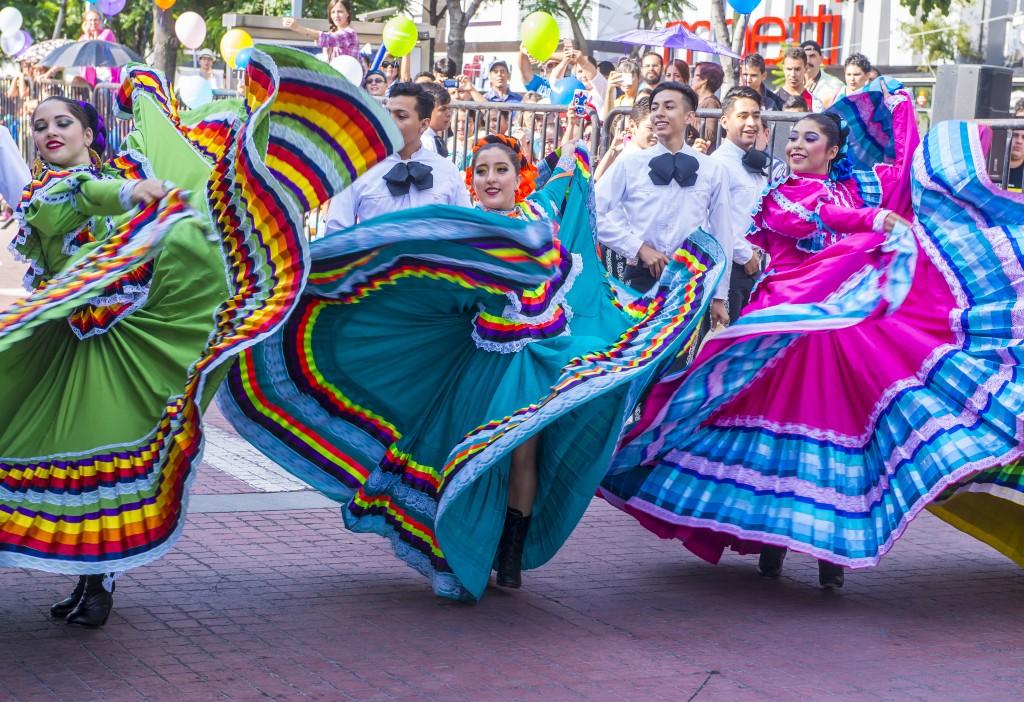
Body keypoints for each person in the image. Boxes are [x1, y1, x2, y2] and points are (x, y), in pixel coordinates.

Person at [215, 123, 724, 600]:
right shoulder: (464, 228)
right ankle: (464, 550)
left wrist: (584, 147)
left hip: (533, 359)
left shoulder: (537, 220)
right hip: (479, 359)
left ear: (518, 175)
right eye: (481, 171)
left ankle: (508, 554)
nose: (490, 178)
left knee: (522, 452)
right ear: (471, 180)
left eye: (501, 169)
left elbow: (575, 194)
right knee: (465, 453)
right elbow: (422, 266)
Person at [0, 47, 399, 626]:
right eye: (39, 126)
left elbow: (100, 194)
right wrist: (125, 196)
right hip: (61, 342)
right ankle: (84, 573)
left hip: (123, 344)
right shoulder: (45, 194)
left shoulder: (126, 181)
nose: (49, 132)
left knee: (111, 447)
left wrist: (135, 192)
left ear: (90, 131)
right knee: (47, 446)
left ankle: (102, 576)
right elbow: (70, 204)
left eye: (63, 122)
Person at [601, 82, 998, 591]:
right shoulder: (787, 194)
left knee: (829, 433)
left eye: (809, 139)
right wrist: (867, 219)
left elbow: (897, 184)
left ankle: (825, 549)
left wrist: (898, 110)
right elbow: (812, 218)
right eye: (793, 138)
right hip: (779, 327)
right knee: (766, 432)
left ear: (832, 152)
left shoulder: (848, 190)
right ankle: (772, 541)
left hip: (827, 332)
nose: (795, 146)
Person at [596, 81, 732, 327]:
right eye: (655, 107)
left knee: (683, 360)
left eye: (669, 107)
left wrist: (719, 295)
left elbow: (723, 231)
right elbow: (591, 211)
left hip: (693, 282)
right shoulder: (629, 164)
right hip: (640, 278)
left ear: (689, 116)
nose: (659, 113)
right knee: (634, 355)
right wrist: (638, 247)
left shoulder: (712, 169)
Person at [327, 82, 471, 230]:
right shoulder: (357, 168)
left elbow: (466, 227)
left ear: (423, 125)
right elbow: (336, 229)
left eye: (401, 116)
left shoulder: (447, 171)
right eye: (387, 113)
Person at [709, 87, 766, 322]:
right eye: (743, 116)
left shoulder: (754, 163)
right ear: (724, 121)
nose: (751, 123)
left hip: (755, 270)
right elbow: (712, 223)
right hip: (729, 271)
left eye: (756, 115)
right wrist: (745, 255)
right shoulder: (717, 165)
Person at [593, 97, 656, 182]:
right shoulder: (624, 160)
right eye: (650, 128)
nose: (656, 135)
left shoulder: (664, 155)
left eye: (660, 128)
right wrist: (613, 151)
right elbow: (597, 183)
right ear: (632, 126)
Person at [285, 0, 360, 62]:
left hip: (345, 79)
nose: (336, 15)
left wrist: (297, 28)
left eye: (340, 11)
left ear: (348, 13)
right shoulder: (333, 32)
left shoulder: (349, 33)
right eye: (333, 12)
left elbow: (327, 38)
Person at [77, 9, 121, 88]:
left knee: (104, 99)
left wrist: (90, 35)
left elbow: (96, 47)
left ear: (100, 21)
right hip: (89, 79)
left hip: (106, 76)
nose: (93, 23)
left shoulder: (106, 33)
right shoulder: (82, 38)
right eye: (90, 20)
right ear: (85, 23)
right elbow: (81, 51)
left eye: (95, 20)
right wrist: (87, 35)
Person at [776, 47, 822, 113]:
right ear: (784, 68)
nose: (793, 74)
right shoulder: (772, 100)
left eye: (797, 69)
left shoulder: (815, 103)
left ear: (806, 68)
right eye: (789, 69)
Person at [800, 40, 843, 109]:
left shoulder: (835, 85)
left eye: (812, 56)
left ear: (821, 58)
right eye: (804, 57)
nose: (808, 61)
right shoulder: (794, 83)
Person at [691, 62, 724, 150]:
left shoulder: (711, 102)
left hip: (702, 153)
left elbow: (709, 135)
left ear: (704, 79)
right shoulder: (697, 100)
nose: (692, 79)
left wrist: (688, 117)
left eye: (694, 75)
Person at [420, 82, 453, 157]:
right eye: (443, 109)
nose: (448, 113)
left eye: (449, 108)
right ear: (427, 110)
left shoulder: (431, 139)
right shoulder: (426, 143)